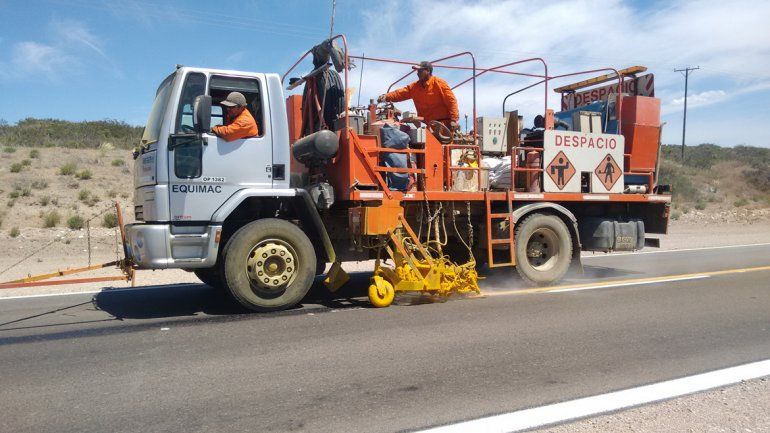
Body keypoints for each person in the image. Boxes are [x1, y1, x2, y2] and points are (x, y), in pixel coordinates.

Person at [377, 61, 460, 131]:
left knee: (442, 149)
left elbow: (451, 101)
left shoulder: (439, 83)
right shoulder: (415, 87)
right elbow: (401, 93)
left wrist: (454, 120)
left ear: (427, 71)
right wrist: (387, 96)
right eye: (417, 71)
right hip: (427, 126)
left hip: (443, 126)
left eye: (420, 71)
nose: (417, 73)